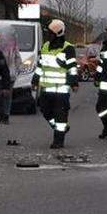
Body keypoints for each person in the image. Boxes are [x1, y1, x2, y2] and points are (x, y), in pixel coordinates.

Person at [33, 19, 78, 149]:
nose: (49, 35)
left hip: (61, 90)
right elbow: (40, 66)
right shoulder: (46, 46)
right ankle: (61, 128)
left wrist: (74, 82)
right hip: (46, 88)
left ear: (58, 33)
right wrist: (35, 80)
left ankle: (58, 141)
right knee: (45, 110)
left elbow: (72, 67)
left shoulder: (67, 48)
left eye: (51, 33)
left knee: (60, 115)